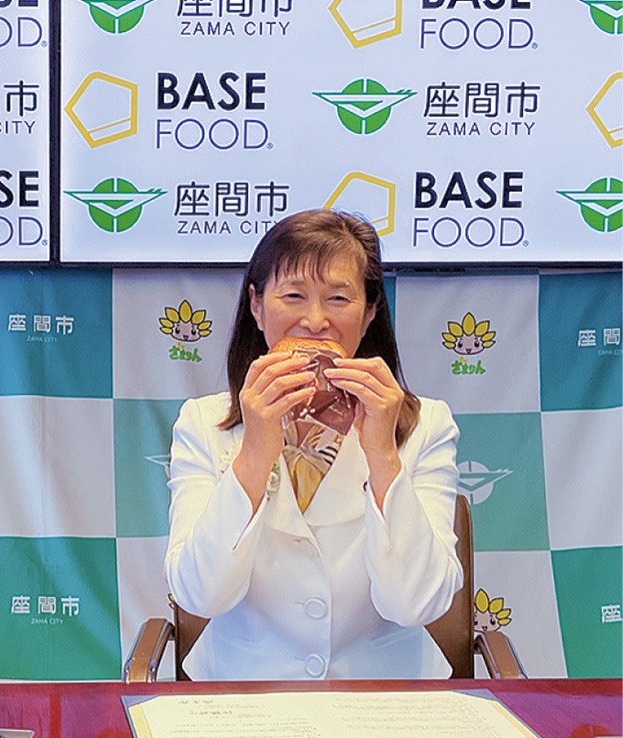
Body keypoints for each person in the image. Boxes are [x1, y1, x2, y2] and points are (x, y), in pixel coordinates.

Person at [164, 209, 462, 680]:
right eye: (293, 296)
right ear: (257, 305)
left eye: (338, 298)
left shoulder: (425, 424)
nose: (315, 321)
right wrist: (254, 453)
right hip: (242, 692)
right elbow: (199, 595)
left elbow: (418, 603)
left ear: (369, 311)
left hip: (387, 693)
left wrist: (383, 455)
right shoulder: (204, 423)